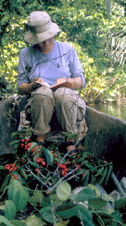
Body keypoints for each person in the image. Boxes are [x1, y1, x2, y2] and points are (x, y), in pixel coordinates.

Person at [17, 11, 87, 153]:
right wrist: (33, 85)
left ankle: (70, 142)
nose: (47, 42)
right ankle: (39, 142)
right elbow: (20, 87)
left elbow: (81, 82)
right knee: (43, 92)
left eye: (49, 37)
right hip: (39, 107)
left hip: (68, 106)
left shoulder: (68, 50)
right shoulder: (26, 54)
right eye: (42, 40)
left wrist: (67, 81)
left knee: (62, 93)